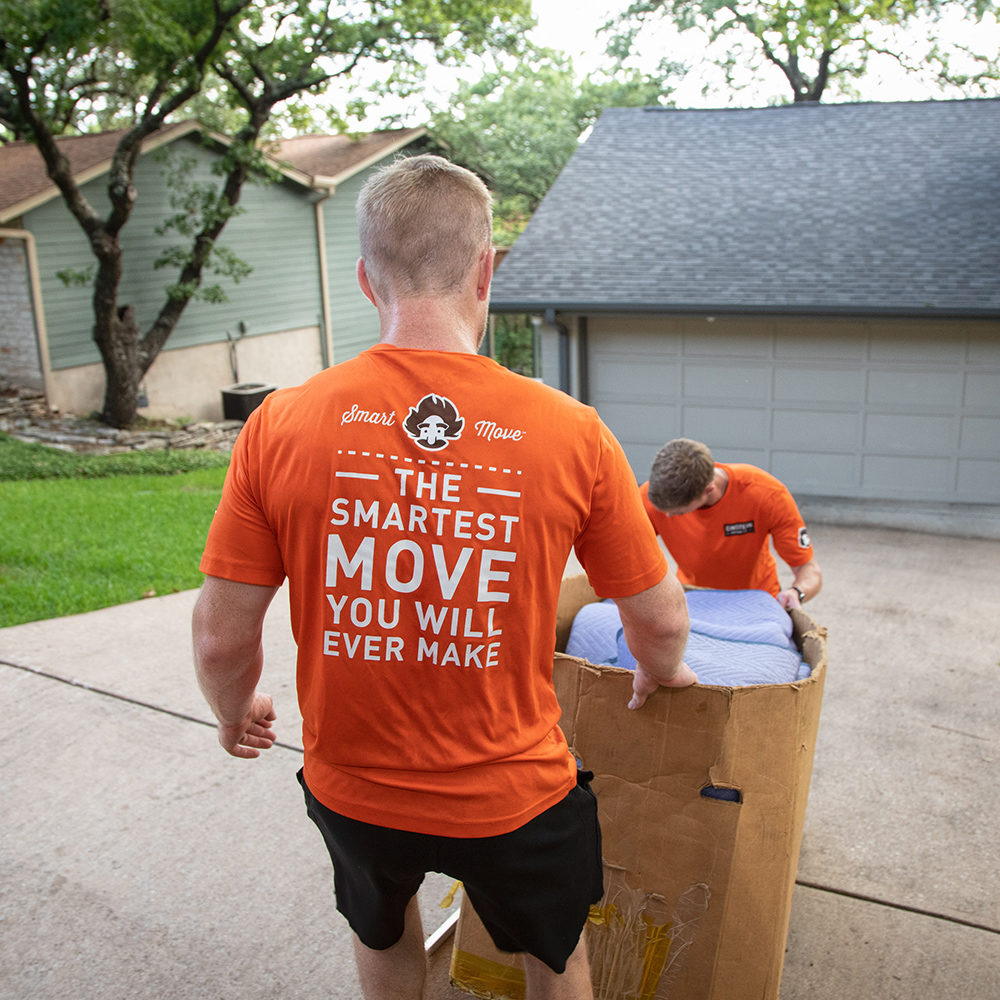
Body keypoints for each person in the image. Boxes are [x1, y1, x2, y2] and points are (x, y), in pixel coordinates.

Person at [192, 154, 695, 1000]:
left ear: (364, 277)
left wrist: (232, 709)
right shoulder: (571, 431)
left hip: (352, 791)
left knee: (382, 932)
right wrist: (663, 668)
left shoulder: (280, 423)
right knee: (554, 954)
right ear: (485, 268)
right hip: (515, 797)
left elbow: (220, 633)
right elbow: (660, 613)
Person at [640, 438, 822, 609]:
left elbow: (807, 568)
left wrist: (797, 592)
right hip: (693, 597)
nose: (667, 516)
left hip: (757, 599)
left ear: (708, 490)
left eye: (678, 512)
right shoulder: (649, 498)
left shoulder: (766, 495)